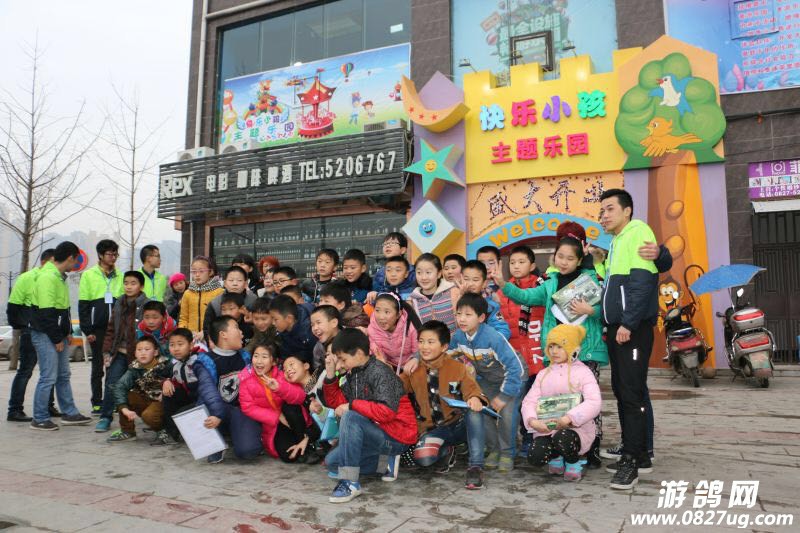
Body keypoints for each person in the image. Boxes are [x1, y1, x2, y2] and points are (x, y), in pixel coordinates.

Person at [492, 237, 609, 466]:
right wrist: (503, 284)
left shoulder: (591, 279)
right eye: (560, 257)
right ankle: (560, 446)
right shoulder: (550, 283)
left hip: (584, 351)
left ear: (579, 260)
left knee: (586, 400)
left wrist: (590, 310)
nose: (564, 262)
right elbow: (526, 297)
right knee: (558, 399)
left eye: (570, 258)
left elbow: (607, 311)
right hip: (556, 352)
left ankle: (591, 448)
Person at [598, 188, 660, 490]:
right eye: (602, 211)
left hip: (631, 330)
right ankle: (636, 452)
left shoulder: (638, 232)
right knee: (623, 391)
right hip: (618, 329)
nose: (604, 215)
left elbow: (642, 283)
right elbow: (613, 287)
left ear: (627, 210)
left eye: (610, 209)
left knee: (632, 394)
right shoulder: (616, 241)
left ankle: (633, 461)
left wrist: (628, 323)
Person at [321, 329, 417, 503]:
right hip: (374, 435)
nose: (340, 365)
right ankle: (384, 463)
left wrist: (352, 405)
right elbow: (337, 403)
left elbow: (386, 412)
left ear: (358, 353)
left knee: (350, 416)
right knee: (332, 462)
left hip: (396, 436)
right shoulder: (354, 373)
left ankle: (350, 482)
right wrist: (330, 375)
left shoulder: (381, 372)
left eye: (343, 359)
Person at [401, 320, 488, 490]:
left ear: (444, 346)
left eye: (430, 342)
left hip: (458, 425)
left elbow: (473, 390)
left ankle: (475, 467)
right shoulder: (413, 369)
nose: (424, 347)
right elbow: (395, 388)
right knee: (423, 458)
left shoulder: (457, 368)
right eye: (421, 341)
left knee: (474, 412)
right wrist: (387, 368)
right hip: (434, 429)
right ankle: (447, 451)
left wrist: (475, 399)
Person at [449, 293, 527, 472]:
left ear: (481, 317)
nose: (462, 319)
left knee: (506, 414)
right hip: (488, 380)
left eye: (468, 314)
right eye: (459, 314)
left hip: (513, 378)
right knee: (482, 409)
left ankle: (507, 453)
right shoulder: (459, 337)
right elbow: (446, 355)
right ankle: (494, 449)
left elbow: (516, 369)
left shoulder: (493, 337)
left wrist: (504, 396)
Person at [521, 324, 602, 482]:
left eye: (560, 346)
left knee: (563, 438)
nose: (554, 351)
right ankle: (556, 456)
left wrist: (569, 418)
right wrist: (532, 421)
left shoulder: (583, 372)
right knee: (535, 456)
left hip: (575, 429)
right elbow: (529, 401)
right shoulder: (543, 374)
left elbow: (594, 402)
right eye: (551, 346)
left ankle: (573, 461)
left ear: (573, 348)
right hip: (547, 428)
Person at [29, 241, 92, 430]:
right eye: (76, 260)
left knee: (63, 375)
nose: (77, 265)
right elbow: (46, 313)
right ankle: (39, 418)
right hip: (45, 334)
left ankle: (70, 413)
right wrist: (57, 338)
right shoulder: (47, 277)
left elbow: (64, 309)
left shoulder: (59, 277)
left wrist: (67, 332)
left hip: (58, 334)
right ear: (70, 258)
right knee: (48, 377)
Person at [496, 245, 547, 455]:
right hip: (515, 356)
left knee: (536, 401)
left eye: (521, 262)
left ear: (532, 265)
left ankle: (534, 438)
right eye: (512, 263)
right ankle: (522, 437)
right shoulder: (502, 290)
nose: (516, 266)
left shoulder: (541, 286)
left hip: (537, 352)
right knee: (518, 401)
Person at [194, 315, 263, 463]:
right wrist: (218, 414)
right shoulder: (205, 360)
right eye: (237, 328)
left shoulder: (245, 357)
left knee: (248, 451)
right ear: (223, 334)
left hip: (239, 410)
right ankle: (216, 442)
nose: (241, 333)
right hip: (214, 411)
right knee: (203, 406)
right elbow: (208, 392)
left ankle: (237, 434)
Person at [238, 343, 321, 463]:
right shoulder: (245, 380)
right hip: (274, 424)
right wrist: (277, 416)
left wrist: (279, 388)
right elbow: (248, 407)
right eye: (256, 356)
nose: (259, 361)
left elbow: (300, 396)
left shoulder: (283, 375)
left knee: (288, 407)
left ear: (274, 362)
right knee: (288, 456)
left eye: (264, 357)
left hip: (295, 420)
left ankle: (305, 446)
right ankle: (304, 446)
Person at [95, 271, 150, 433]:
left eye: (133, 283)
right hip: (119, 353)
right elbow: (111, 329)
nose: (129, 286)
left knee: (144, 386)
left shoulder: (147, 304)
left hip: (139, 355)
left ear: (141, 286)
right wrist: (107, 352)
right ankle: (105, 417)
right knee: (112, 384)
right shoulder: (119, 302)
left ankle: (150, 418)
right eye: (126, 283)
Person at [6, 249, 57, 422]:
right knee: (26, 370)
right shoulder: (27, 278)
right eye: (53, 262)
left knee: (49, 370)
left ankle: (48, 406)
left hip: (48, 330)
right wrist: (22, 327)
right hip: (30, 330)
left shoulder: (54, 279)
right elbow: (13, 306)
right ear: (45, 261)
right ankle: (14, 410)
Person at [79, 239, 124, 415]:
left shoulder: (120, 275)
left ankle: (111, 402)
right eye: (109, 254)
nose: (113, 257)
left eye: (115, 254)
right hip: (97, 329)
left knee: (113, 367)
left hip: (115, 329)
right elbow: (83, 305)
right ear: (100, 255)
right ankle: (97, 402)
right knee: (98, 367)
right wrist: (87, 330)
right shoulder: (89, 275)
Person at [107, 336, 172, 443]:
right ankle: (128, 431)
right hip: (146, 399)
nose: (143, 353)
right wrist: (124, 408)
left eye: (147, 349)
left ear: (155, 352)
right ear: (135, 353)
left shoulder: (166, 365)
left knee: (149, 416)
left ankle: (164, 431)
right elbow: (120, 386)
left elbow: (179, 381)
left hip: (163, 401)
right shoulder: (134, 368)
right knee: (126, 395)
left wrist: (169, 381)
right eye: (139, 350)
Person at [156, 328, 199, 445]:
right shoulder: (174, 363)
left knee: (180, 413)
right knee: (169, 394)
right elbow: (161, 375)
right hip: (189, 397)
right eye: (172, 345)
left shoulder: (199, 360)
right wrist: (166, 381)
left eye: (180, 344)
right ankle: (172, 434)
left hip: (204, 400)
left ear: (191, 345)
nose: (176, 349)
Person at [407, 253, 460, 335]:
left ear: (439, 274)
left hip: (455, 343)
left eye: (428, 272)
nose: (423, 277)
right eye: (419, 272)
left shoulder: (454, 292)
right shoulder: (412, 301)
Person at [457, 260, 511, 339]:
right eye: (466, 279)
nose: (470, 284)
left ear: (484, 283)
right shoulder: (458, 300)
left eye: (475, 280)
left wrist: (486, 342)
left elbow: (504, 331)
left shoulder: (491, 306)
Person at [202, 266, 257, 341]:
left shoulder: (254, 300)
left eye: (239, 280)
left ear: (245, 283)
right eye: (231, 280)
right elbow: (207, 329)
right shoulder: (215, 303)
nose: (235, 284)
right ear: (225, 283)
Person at [368, 293, 419, 371]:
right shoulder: (372, 329)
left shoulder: (410, 328)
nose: (381, 317)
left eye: (387, 312)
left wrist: (416, 359)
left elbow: (419, 350)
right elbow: (378, 355)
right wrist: (383, 363)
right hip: (390, 366)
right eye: (377, 310)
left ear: (398, 314)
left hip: (410, 365)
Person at [179, 256, 224, 339]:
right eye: (194, 271)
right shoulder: (187, 293)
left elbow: (221, 318)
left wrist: (206, 332)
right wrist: (185, 333)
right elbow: (183, 318)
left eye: (201, 271)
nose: (197, 275)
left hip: (212, 337)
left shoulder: (219, 292)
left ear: (210, 272)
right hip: (191, 338)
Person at [367, 232, 417, 303]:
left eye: (392, 243)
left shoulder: (413, 271)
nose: (388, 246)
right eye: (385, 244)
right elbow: (375, 294)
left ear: (403, 250)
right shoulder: (380, 273)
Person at [269, 294, 315, 362]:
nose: (272, 323)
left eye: (275, 319)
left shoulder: (309, 332)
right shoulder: (283, 329)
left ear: (289, 318)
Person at [310, 305, 341, 371]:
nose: (315, 328)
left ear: (334, 323)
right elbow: (319, 371)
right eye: (312, 325)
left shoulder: (350, 337)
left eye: (318, 323)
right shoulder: (318, 349)